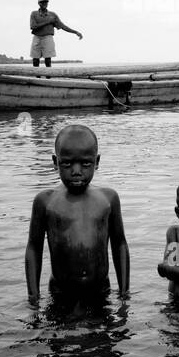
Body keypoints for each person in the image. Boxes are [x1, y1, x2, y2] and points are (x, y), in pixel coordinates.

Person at [25, 124, 129, 308]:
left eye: (85, 163)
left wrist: (124, 294)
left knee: (105, 336)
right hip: (60, 294)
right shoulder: (45, 201)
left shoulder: (108, 199)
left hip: (100, 292)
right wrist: (33, 298)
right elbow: (34, 249)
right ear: (55, 162)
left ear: (97, 162)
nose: (76, 171)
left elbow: (119, 244)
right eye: (67, 164)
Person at [29, 0, 82, 68]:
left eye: (46, 2)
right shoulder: (34, 13)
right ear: (39, 3)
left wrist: (76, 32)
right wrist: (48, 22)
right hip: (37, 37)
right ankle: (37, 76)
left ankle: (48, 77)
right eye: (42, 2)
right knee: (35, 59)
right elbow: (33, 27)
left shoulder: (52, 15)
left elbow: (63, 26)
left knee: (48, 59)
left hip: (48, 37)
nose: (45, 3)